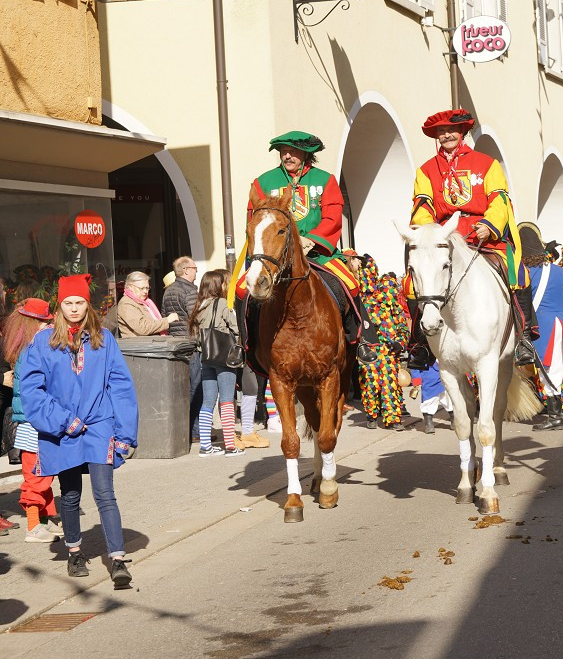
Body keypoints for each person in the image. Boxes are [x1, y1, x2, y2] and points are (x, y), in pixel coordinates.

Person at [21, 274, 139, 588]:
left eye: (80, 302)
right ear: (60, 306)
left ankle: (117, 559)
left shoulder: (104, 339)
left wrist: (125, 432)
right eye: (69, 303)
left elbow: (121, 388)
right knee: (70, 496)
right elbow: (32, 392)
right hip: (61, 431)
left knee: (106, 494)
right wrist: (64, 421)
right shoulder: (43, 342)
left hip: (99, 425)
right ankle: (74, 551)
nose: (74, 308)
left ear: (88, 304)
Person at [409, 109, 536, 368]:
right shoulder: (425, 171)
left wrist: (489, 225)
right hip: (445, 237)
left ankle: (523, 338)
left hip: (482, 236)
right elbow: (422, 205)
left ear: (462, 132)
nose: (446, 135)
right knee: (412, 282)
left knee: (518, 272)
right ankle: (420, 343)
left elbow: (500, 200)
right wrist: (431, 232)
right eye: (441, 132)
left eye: (450, 130)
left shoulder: (487, 164)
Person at [243, 131, 378, 362]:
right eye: (284, 151)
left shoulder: (325, 180)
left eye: (293, 151)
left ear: (306, 154)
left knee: (350, 283)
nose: (287, 156)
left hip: (317, 253)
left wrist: (313, 239)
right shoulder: (263, 182)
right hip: (275, 257)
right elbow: (253, 220)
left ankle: (362, 338)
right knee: (240, 290)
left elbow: (333, 217)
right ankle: (244, 344)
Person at [5, 299, 63, 543]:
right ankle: (33, 527)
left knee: (43, 474)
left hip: (34, 424)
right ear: (31, 324)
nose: (46, 326)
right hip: (34, 425)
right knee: (36, 478)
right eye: (42, 322)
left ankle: (41, 522)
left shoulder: (26, 349)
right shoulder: (32, 352)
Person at [520, 223, 563, 431]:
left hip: (544, 327)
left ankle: (555, 417)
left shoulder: (525, 275)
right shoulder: (558, 271)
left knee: (549, 370)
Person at [189, 270, 244, 456]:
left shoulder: (200, 305)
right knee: (227, 400)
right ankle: (230, 445)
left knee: (208, 402)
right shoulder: (221, 303)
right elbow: (236, 329)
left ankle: (205, 446)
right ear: (218, 285)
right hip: (223, 356)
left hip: (206, 358)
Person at [162, 256, 202, 442]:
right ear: (186, 270)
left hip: (176, 344)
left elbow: (166, 316)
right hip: (191, 343)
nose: (196, 271)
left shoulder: (169, 291)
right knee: (196, 388)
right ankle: (194, 431)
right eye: (194, 268)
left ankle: (186, 430)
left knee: (184, 389)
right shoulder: (190, 290)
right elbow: (197, 317)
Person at [116, 270, 179, 338]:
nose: (145, 291)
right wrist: (167, 320)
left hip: (150, 345)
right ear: (130, 287)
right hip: (139, 346)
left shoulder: (146, 302)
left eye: (147, 288)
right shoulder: (126, 303)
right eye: (141, 288)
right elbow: (142, 328)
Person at [410, 360, 454, 434]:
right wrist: (417, 382)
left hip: (445, 377)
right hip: (429, 380)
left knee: (449, 399)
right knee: (429, 401)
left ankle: (454, 420)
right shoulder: (419, 349)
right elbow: (415, 366)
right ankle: (429, 424)